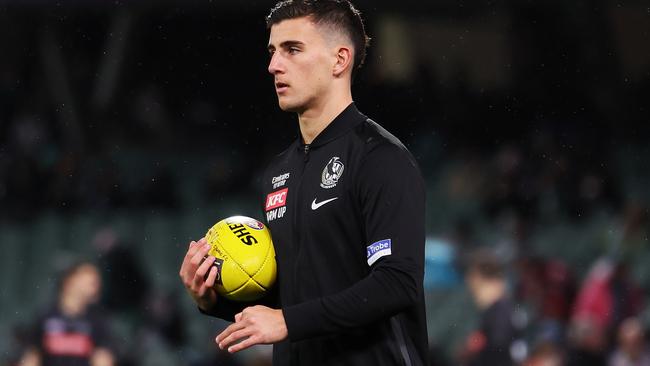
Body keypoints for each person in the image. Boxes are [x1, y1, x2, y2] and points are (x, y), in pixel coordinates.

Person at [179, 0, 429, 365]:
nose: (274, 65)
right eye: (272, 51)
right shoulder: (280, 171)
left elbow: (397, 283)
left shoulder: (380, 158)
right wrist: (213, 297)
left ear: (339, 60)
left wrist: (287, 321)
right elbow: (297, 298)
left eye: (292, 49)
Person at [19, 261, 115, 366]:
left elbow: (102, 357)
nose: (95, 283)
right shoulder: (45, 315)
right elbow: (32, 355)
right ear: (69, 280)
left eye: (96, 280)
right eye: (89, 279)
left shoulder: (97, 319)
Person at [461, 249, 523, 366]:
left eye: (471, 275)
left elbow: (499, 347)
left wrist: (474, 348)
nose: (468, 281)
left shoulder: (500, 311)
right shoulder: (495, 311)